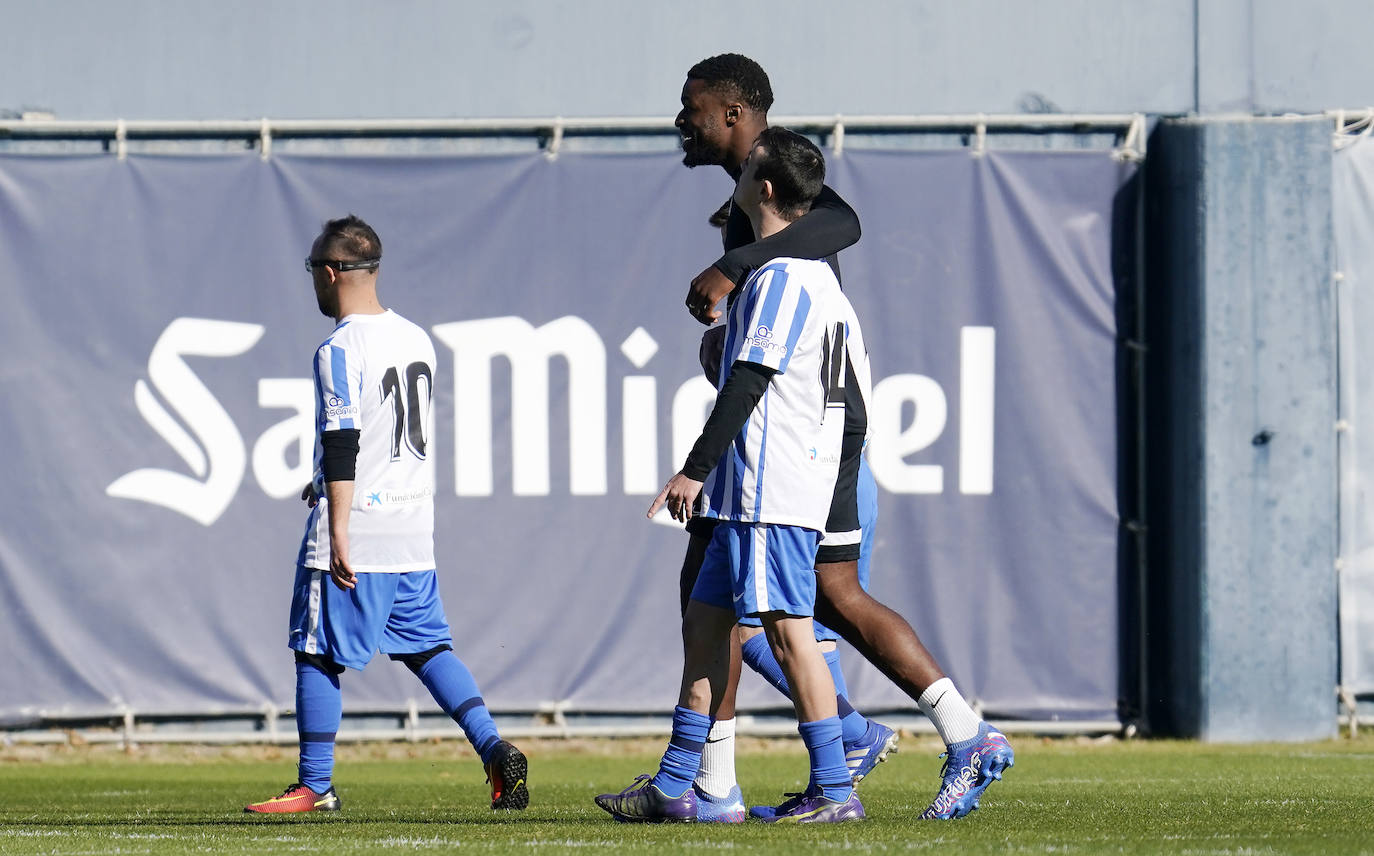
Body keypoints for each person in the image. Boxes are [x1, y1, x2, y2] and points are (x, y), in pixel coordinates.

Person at [675, 53, 1014, 821]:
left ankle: (721, 784)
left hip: (813, 430)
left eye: (691, 106)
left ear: (734, 115)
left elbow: (845, 224)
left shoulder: (782, 190)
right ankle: (923, 735)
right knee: (764, 598)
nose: (680, 120)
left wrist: (736, 262)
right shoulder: (749, 204)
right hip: (811, 424)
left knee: (751, 599)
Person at [597, 127, 868, 824]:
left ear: (767, 190)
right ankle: (680, 784)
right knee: (705, 623)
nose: (738, 174)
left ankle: (836, 789)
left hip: (771, 487)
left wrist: (694, 470)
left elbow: (749, 381)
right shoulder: (809, 275)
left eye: (748, 167)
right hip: (753, 484)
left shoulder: (782, 276)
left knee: (787, 631)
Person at [244, 215, 529, 814]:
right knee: (428, 650)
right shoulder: (414, 337)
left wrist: (339, 524)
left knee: (316, 650)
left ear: (329, 273)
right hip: (410, 531)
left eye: (312, 273)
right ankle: (495, 749)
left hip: (362, 528)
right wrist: (323, 481)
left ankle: (314, 786)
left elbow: (346, 439)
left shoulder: (339, 349)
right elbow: (383, 436)